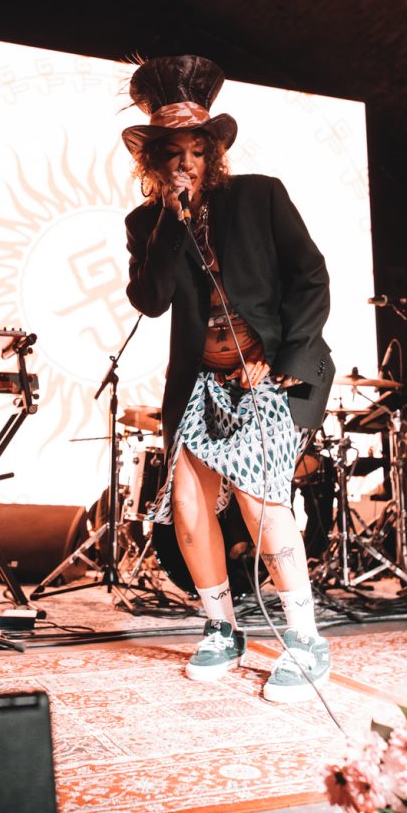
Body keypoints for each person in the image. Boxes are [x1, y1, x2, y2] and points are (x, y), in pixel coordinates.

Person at [122, 55, 335, 702]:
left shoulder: (259, 196)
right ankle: (221, 628)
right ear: (154, 163)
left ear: (212, 152)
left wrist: (287, 360)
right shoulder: (146, 224)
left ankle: (305, 639)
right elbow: (151, 300)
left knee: (259, 501)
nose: (184, 164)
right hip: (200, 383)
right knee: (188, 506)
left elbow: (310, 277)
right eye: (171, 155)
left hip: (268, 376)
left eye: (195, 151)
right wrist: (169, 220)